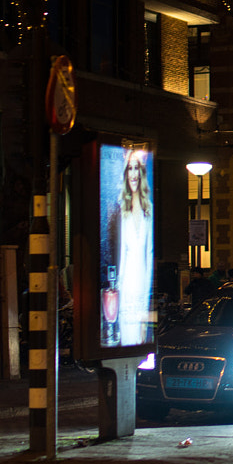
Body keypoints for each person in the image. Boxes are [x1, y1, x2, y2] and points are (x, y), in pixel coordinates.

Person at [104, 148, 154, 348]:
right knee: (126, 338)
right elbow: (121, 253)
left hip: (142, 283)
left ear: (141, 173)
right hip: (126, 285)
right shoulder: (121, 208)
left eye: (136, 168)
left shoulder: (147, 208)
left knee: (139, 338)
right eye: (129, 169)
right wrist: (119, 285)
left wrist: (148, 290)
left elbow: (149, 254)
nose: (133, 174)